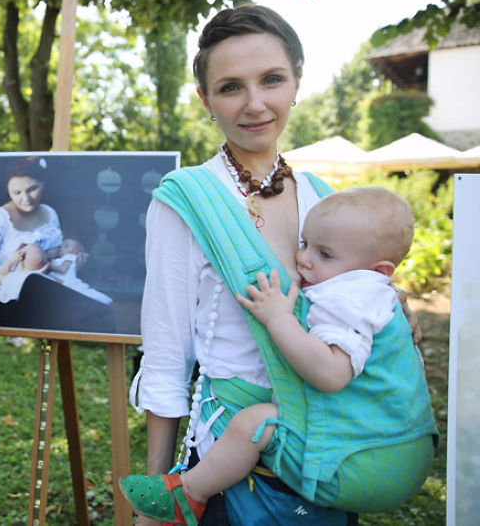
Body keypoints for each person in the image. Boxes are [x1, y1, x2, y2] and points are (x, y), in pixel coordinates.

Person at [121, 4, 436, 526]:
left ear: (296, 83)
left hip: (326, 449)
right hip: (231, 466)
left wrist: (392, 312)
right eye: (230, 87)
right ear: (206, 100)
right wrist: (161, 499)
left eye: (272, 80)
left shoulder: (325, 200)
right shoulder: (187, 200)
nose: (255, 104)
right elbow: (166, 352)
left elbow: (352, 310)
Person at [120, 186, 435, 523]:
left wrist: (278, 318)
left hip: (361, 455)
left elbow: (330, 373)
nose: (304, 259)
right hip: (391, 448)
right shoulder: (367, 287)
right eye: (304, 244)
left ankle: (189, 494)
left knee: (252, 423)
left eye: (325, 254)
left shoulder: (349, 297)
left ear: (379, 271)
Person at [0, 157, 116, 334]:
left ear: (43, 182)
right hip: (8, 296)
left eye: (32, 189)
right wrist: (4, 277)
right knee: (44, 290)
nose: (25, 198)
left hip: (49, 287)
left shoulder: (50, 213)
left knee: (98, 306)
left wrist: (72, 263)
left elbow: (54, 255)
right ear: (8, 188)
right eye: (17, 192)